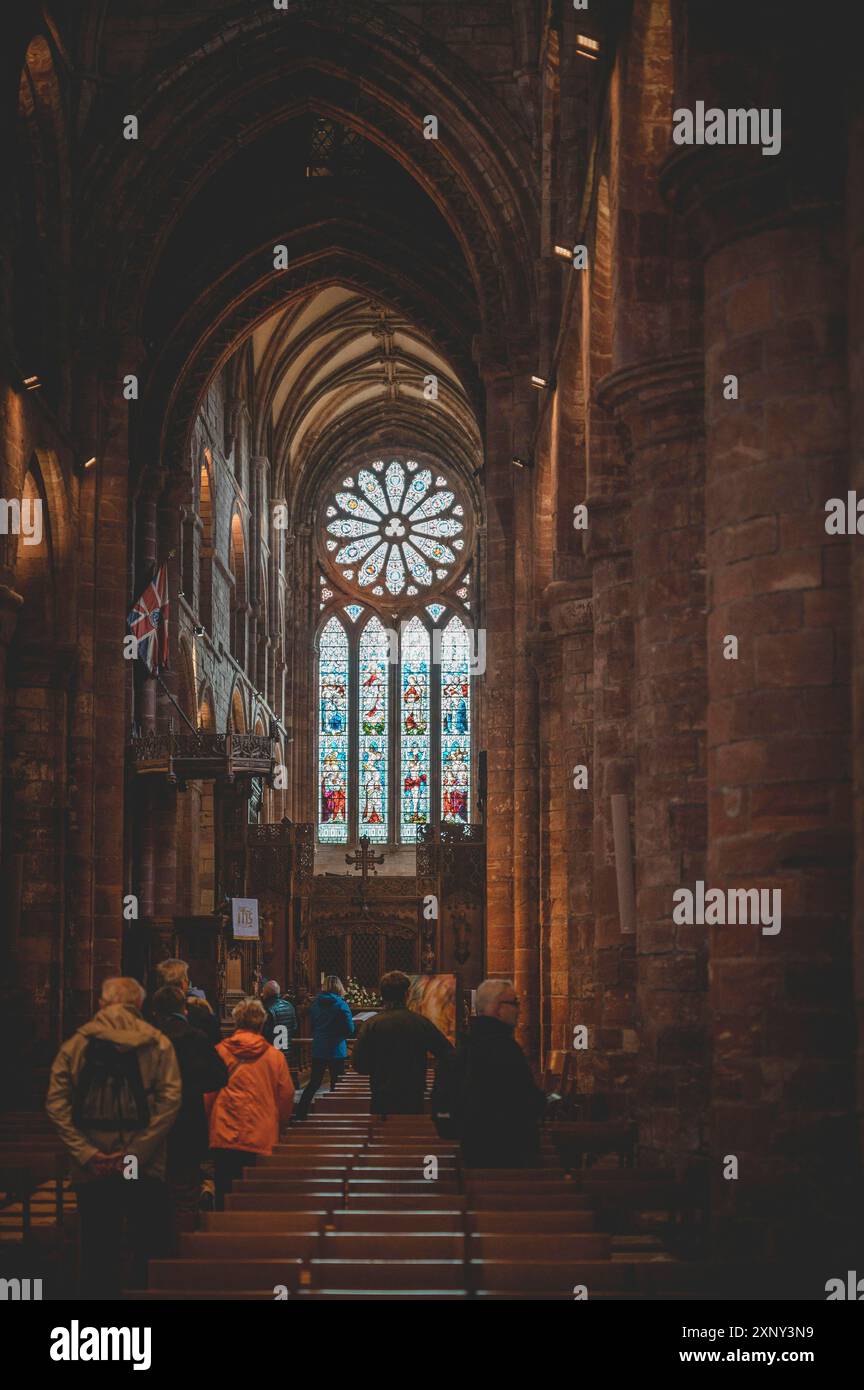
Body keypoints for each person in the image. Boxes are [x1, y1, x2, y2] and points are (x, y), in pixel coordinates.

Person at [45, 976, 181, 1298]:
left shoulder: (76, 1045)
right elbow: (170, 1103)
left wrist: (87, 1153)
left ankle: (100, 1335)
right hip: (140, 1166)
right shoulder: (158, 1043)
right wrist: (132, 1156)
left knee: (97, 1245)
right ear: (138, 1005)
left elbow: (56, 1103)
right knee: (146, 1242)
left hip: (93, 1167)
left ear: (102, 1004)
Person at [151, 985, 229, 1244]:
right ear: (183, 1008)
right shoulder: (195, 1037)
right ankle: (182, 1250)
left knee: (154, 1189)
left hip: (151, 1128)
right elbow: (219, 1076)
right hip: (187, 1122)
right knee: (185, 1189)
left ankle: (155, 1251)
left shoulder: (147, 1039)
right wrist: (191, 1087)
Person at [205, 996, 294, 1208]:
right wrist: (278, 1125)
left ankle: (220, 1236)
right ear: (262, 1024)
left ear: (236, 1022)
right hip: (261, 1133)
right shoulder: (274, 1057)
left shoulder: (220, 1052)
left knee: (225, 1193)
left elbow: (208, 1093)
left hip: (225, 1131)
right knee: (254, 1197)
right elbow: (286, 1096)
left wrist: (212, 1122)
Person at [455, 978, 547, 1168]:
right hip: (508, 1154)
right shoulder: (506, 1049)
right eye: (514, 1003)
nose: (519, 1009)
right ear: (497, 1008)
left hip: (472, 1152)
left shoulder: (464, 1047)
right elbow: (526, 1101)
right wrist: (547, 1100)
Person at [352, 970, 454, 1116]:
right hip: (412, 1097)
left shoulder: (371, 1025)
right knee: (410, 1134)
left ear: (382, 995)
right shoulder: (420, 1023)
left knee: (382, 1137)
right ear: (407, 995)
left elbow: (358, 1064)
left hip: (382, 1097)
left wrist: (379, 1069)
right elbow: (447, 1053)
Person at [292, 976, 354, 1121]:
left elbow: (313, 1024)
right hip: (336, 1049)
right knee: (336, 1084)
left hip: (319, 1047)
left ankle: (300, 1114)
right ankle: (335, 1116)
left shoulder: (315, 1004)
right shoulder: (341, 1004)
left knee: (313, 1083)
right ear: (339, 987)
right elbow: (350, 1029)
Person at [153, 957, 222, 1046]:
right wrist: (207, 1006)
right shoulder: (198, 1015)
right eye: (186, 979)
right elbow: (216, 1042)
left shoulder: (150, 1016)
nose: (188, 981)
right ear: (182, 984)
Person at [260, 980, 298, 1070]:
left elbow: (265, 1034)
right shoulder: (289, 1006)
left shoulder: (268, 1010)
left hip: (273, 1055)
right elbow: (294, 1028)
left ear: (266, 994)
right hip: (288, 1053)